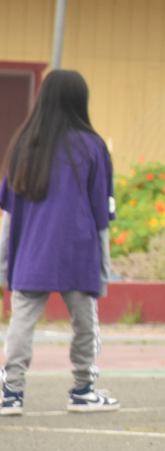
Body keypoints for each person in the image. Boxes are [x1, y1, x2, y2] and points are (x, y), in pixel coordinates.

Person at [0, 70, 118, 415]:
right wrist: (104, 268)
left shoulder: (23, 144)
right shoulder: (93, 146)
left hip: (31, 253)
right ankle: (82, 390)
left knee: (21, 322)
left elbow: (9, 213)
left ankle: (10, 392)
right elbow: (101, 215)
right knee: (85, 323)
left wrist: (5, 263)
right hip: (77, 252)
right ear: (80, 101)